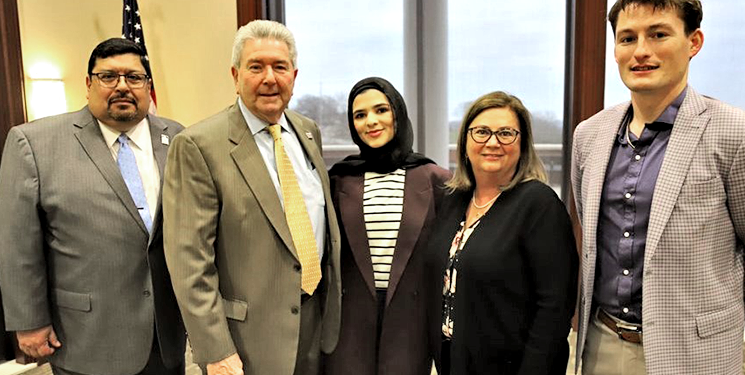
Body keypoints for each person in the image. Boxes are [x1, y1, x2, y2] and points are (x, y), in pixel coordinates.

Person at [572, 0, 745, 375]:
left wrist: (717, 309)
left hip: (693, 352)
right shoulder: (590, 135)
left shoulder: (744, 136)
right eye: (627, 38)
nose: (641, 51)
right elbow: (591, 229)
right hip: (601, 342)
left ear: (694, 42)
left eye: (659, 34)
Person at [0, 38, 186, 375]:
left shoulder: (179, 138)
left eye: (134, 77)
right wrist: (29, 321)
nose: (122, 86)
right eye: (108, 76)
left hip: (165, 334)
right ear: (88, 84)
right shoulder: (35, 143)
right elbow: (16, 243)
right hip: (86, 337)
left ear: (147, 85)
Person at [163, 19, 341, 375]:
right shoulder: (199, 145)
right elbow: (189, 262)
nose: (269, 78)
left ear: (294, 74)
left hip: (314, 323)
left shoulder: (308, 131)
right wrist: (215, 349)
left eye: (280, 67)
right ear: (235, 75)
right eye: (256, 67)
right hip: (246, 338)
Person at [426, 91, 578, 374]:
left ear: (522, 144)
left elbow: (554, 310)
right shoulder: (454, 201)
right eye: (482, 132)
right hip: (454, 362)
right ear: (465, 142)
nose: (493, 142)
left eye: (506, 133)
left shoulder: (539, 205)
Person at [325, 77, 451, 375]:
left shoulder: (436, 180)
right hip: (350, 324)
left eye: (381, 110)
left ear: (398, 112)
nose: (371, 121)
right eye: (360, 115)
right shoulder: (338, 180)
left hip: (411, 321)